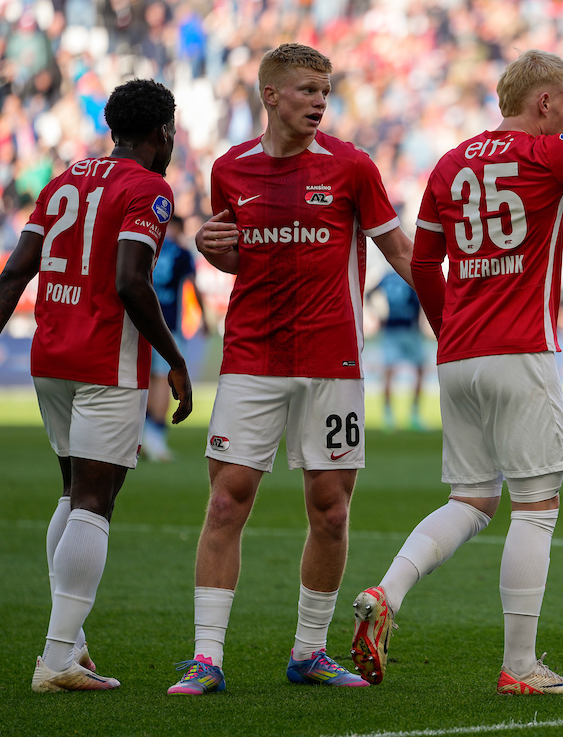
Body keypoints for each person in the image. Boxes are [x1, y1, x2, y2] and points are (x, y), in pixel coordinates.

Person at [349, 0, 563, 695]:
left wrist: (448, 332)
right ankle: (521, 665)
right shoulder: (546, 156)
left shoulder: (447, 165)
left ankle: (388, 593)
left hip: (460, 357)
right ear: (545, 100)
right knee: (535, 507)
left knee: (470, 499)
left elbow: (422, 264)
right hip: (520, 349)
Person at [167, 44, 413, 695]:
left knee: (330, 510)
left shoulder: (353, 167)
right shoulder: (231, 170)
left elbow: (399, 251)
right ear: (271, 96)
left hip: (333, 361)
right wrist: (210, 250)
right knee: (227, 501)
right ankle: (206, 658)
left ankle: (310, 651)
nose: (319, 101)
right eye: (307, 90)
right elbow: (232, 255)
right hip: (252, 357)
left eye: (326, 91)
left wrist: (453, 321)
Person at [0, 79, 191, 692]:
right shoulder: (150, 188)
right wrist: (174, 358)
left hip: (50, 356)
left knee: (71, 491)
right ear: (162, 132)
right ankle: (57, 657)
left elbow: (13, 273)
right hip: (105, 360)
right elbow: (132, 281)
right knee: (95, 499)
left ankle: (73, 644)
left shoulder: (65, 179)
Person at [144, 215, 209, 461]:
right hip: (167, 326)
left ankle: (141, 435)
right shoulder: (181, 253)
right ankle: (155, 437)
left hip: (138, 323)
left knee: (144, 379)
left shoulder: (145, 247)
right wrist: (205, 317)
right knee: (162, 379)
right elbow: (193, 286)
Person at [370, 267, 426, 431]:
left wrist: (379, 316)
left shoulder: (387, 277)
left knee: (389, 371)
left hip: (392, 328)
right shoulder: (411, 273)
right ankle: (414, 415)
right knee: (418, 369)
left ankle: (388, 416)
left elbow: (369, 294)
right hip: (410, 328)